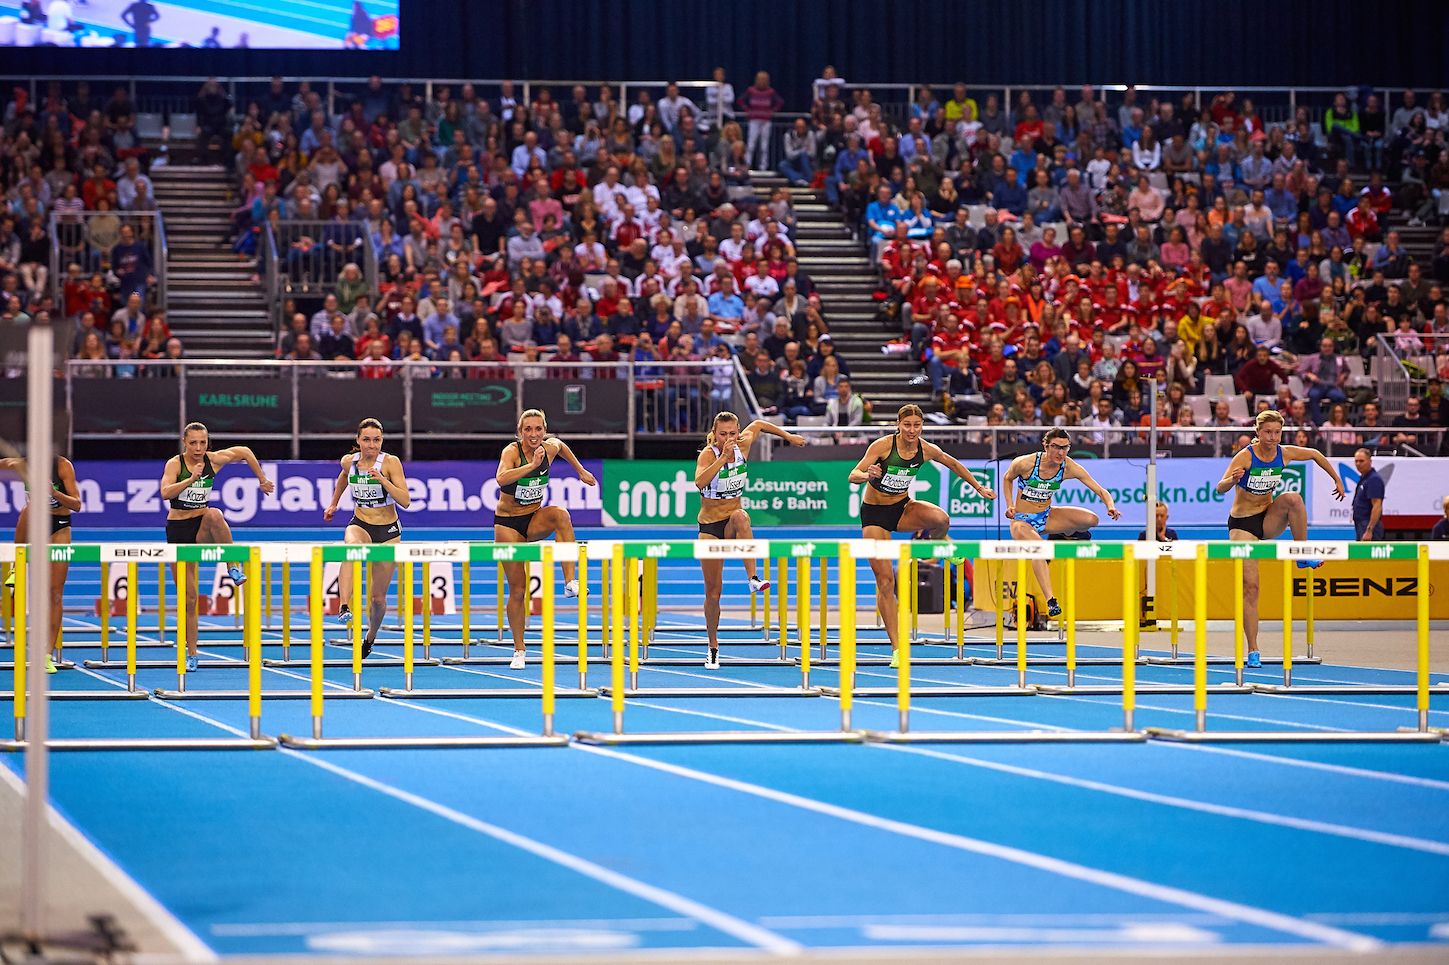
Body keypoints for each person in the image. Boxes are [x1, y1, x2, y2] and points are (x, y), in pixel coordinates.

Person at [848, 405, 996, 667]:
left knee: (941, 519)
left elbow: (953, 463)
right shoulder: (883, 446)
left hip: (902, 508)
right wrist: (867, 475)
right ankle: (897, 649)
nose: (912, 430)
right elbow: (853, 475)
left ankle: (935, 546)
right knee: (885, 581)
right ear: (898, 424)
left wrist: (978, 487)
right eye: (907, 425)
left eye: (917, 425)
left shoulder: (926, 449)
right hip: (875, 515)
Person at [1217, 410, 1346, 667]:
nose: (1272, 437)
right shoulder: (1245, 456)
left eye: (1277, 432)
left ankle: (1302, 554)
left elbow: (1315, 454)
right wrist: (1232, 480)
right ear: (1257, 432)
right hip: (1243, 525)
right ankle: (1253, 650)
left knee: (1293, 499)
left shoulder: (1284, 453)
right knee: (1251, 588)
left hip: (1268, 519)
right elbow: (1220, 488)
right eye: (1267, 432)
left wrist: (1336, 478)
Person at [159, 423, 275, 671]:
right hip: (178, 531)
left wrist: (262, 479)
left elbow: (245, 452)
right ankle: (191, 653)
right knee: (189, 599)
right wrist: (191, 479)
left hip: (201, 526)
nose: (198, 448)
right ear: (185, 443)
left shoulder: (214, 460)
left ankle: (232, 566)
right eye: (193, 443)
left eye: (203, 442)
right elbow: (165, 493)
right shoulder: (175, 464)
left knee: (214, 514)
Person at [694, 411, 805, 668]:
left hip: (732, 524)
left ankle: (753, 578)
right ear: (715, 433)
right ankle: (712, 646)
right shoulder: (708, 454)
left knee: (742, 516)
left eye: (733, 433)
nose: (729, 438)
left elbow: (760, 424)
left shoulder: (743, 443)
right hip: (710, 528)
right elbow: (699, 482)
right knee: (713, 592)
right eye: (723, 434)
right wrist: (722, 459)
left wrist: (788, 436)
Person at [493, 409, 597, 669]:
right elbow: (501, 478)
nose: (533, 434)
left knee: (561, 515)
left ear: (544, 430)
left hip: (534, 518)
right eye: (528, 429)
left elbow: (561, 445)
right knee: (518, 589)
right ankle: (519, 650)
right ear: (520, 432)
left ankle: (570, 581)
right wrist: (531, 466)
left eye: (538, 429)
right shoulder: (512, 452)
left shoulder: (549, 448)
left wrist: (580, 470)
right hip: (508, 525)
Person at [1002, 428, 1122, 618]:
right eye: (1056, 447)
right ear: (1046, 445)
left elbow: (1100, 490)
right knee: (1039, 549)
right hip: (1022, 522)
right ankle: (1051, 600)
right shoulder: (1025, 463)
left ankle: (1066, 533)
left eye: (1065, 448)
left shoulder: (1068, 466)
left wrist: (1110, 505)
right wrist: (1010, 505)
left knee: (1091, 520)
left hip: (1047, 516)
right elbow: (1007, 478)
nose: (1061, 452)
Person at [322, 419, 410, 657]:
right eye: (367, 440)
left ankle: (370, 637)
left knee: (378, 599)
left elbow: (405, 501)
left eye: (377, 440)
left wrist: (382, 480)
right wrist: (333, 503)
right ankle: (344, 605)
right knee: (351, 548)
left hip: (388, 531)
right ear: (358, 441)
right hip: (360, 523)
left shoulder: (390, 462)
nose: (372, 445)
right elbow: (343, 477)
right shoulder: (348, 462)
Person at [0, 456, 82, 675]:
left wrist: (54, 493)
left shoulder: (62, 466)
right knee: (28, 510)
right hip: (34, 521)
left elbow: (77, 504)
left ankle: (46, 655)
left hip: (59, 526)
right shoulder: (20, 464)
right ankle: (16, 568)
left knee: (54, 594)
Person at [1350, 447, 1385, 541]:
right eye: (1356, 461)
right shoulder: (1364, 479)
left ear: (1370, 461)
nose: (1358, 464)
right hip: (1361, 523)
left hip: (1368, 524)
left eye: (1361, 461)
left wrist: (1369, 530)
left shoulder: (1374, 479)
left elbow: (1377, 506)